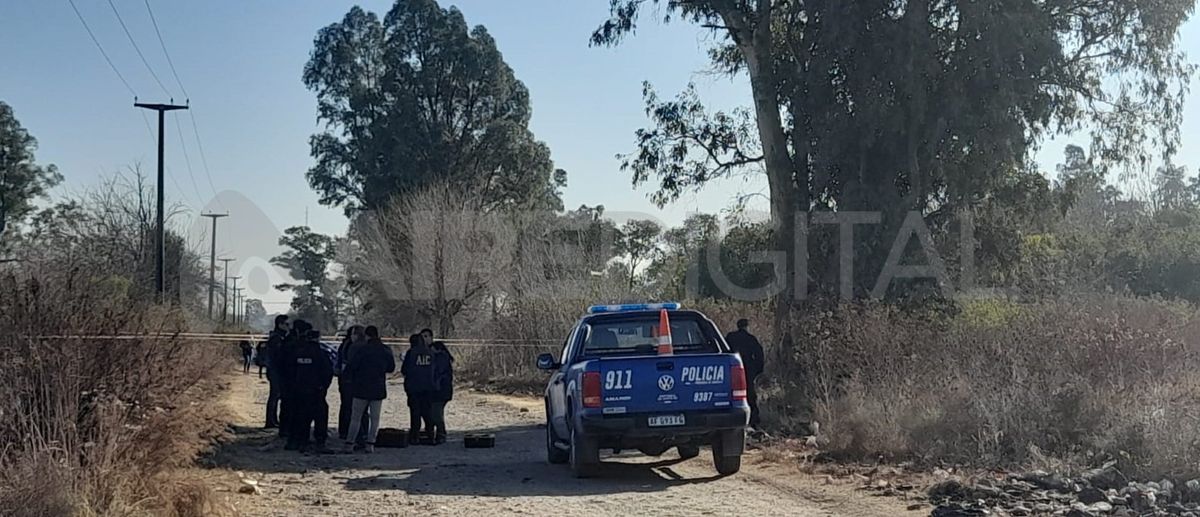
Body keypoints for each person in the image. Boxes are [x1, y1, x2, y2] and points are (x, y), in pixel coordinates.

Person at [342, 325, 396, 453]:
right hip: (378, 387)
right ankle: (370, 444)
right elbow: (391, 368)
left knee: (356, 417)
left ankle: (350, 443)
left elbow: (352, 367)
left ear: (366, 335)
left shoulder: (362, 349)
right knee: (375, 418)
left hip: (360, 387)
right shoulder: (385, 350)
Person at [286, 324, 334, 452]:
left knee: (301, 416)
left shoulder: (297, 353)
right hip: (316, 391)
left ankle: (301, 441)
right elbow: (328, 372)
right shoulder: (321, 354)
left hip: (299, 390)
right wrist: (323, 387)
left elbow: (289, 371)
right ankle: (320, 442)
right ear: (318, 339)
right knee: (320, 416)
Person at [725, 318, 765, 428]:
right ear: (747, 326)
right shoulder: (750, 339)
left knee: (733, 395)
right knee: (750, 394)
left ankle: (734, 420)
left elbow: (725, 350)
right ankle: (753, 420)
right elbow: (759, 354)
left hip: (732, 370)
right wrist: (758, 369)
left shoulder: (730, 337)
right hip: (748, 369)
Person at [401, 333, 436, 444]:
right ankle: (431, 435)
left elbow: (404, 370)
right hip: (428, 387)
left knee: (415, 412)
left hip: (414, 387)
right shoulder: (430, 353)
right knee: (427, 412)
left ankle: (414, 436)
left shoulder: (411, 353)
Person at [336, 325, 367, 441]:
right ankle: (358, 433)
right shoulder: (356, 346)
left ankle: (344, 431)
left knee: (346, 405)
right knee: (356, 408)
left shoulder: (346, 345)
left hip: (345, 379)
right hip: (353, 380)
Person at [264, 315, 290, 430]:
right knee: (274, 395)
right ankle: (270, 421)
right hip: (275, 370)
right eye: (286, 324)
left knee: (276, 395)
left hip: (275, 370)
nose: (288, 327)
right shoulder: (276, 338)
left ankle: (273, 420)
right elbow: (278, 356)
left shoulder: (279, 337)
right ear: (280, 324)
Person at [430, 340, 454, 444]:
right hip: (444, 390)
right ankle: (440, 434)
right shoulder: (445, 358)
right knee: (437, 413)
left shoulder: (440, 359)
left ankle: (441, 433)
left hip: (440, 390)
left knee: (436, 414)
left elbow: (437, 374)